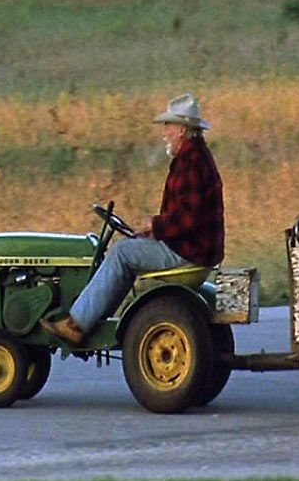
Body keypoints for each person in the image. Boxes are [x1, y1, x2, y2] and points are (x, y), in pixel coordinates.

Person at [41, 93, 225, 345]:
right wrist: (154, 230)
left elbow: (189, 219)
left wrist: (156, 224)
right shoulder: (196, 157)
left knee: (121, 253)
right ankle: (92, 317)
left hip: (189, 252)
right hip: (194, 247)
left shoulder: (190, 164)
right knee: (127, 251)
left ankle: (77, 324)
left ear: (182, 129)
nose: (164, 132)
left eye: (168, 125)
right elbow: (188, 216)